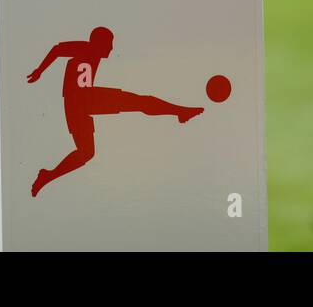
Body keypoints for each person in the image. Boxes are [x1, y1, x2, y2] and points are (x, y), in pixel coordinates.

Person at [26, 26, 202, 197]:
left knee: (87, 152)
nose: (112, 48)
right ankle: (180, 112)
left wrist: (41, 71)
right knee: (139, 102)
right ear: (99, 42)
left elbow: (58, 51)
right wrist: (39, 70)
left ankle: (47, 176)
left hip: (79, 103)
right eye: (109, 43)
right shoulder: (84, 47)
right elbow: (57, 49)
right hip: (83, 98)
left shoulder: (91, 51)